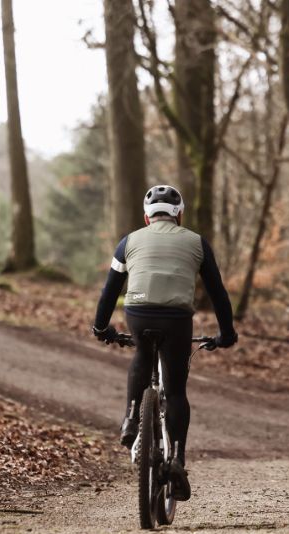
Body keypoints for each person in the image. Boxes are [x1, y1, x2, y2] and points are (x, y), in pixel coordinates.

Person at [92, 184, 237, 501]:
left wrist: (101, 327)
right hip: (176, 318)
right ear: (179, 215)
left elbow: (109, 291)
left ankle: (131, 419)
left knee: (142, 356)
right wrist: (227, 333)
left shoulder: (127, 242)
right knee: (174, 389)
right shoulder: (197, 242)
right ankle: (178, 459)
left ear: (147, 218)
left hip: (139, 313)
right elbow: (218, 293)